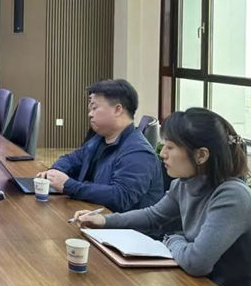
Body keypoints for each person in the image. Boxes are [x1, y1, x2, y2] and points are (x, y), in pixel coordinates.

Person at [73, 108, 251, 286]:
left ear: (201, 155)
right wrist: (104, 220)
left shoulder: (232, 196)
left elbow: (196, 262)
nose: (162, 153)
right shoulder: (184, 184)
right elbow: (153, 216)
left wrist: (171, 238)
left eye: (171, 147)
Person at [37, 79, 164, 213]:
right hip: (92, 215)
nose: (90, 114)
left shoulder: (138, 152)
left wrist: (69, 186)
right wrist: (54, 173)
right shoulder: (99, 138)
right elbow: (71, 159)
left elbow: (120, 197)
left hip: (120, 224)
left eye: (94, 108)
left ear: (117, 110)